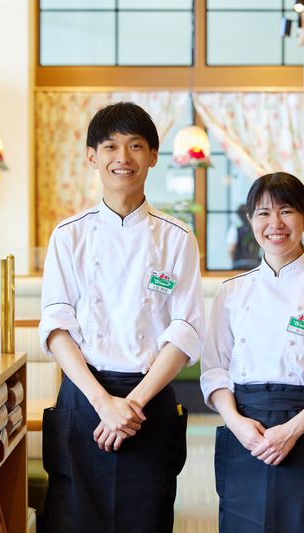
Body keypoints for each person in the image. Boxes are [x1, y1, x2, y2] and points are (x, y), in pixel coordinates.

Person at [39, 102, 205, 532]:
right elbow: (56, 327)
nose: (123, 157)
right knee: (74, 521)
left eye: (135, 146)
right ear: (92, 157)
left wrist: (131, 406)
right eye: (110, 146)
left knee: (146, 520)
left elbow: (185, 330)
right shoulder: (69, 235)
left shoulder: (177, 238)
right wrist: (103, 404)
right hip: (85, 396)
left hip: (148, 399)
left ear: (153, 156)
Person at [201, 172, 304, 533]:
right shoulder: (231, 291)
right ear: (251, 221)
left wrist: (291, 431)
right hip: (245, 432)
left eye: (286, 211)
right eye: (263, 213)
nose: (275, 224)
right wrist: (237, 423)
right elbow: (214, 371)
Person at [226, 204, 261, 270]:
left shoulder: (235, 229)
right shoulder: (257, 229)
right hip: (256, 265)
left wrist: (234, 260)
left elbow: (231, 250)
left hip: (239, 265)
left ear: (238, 216)